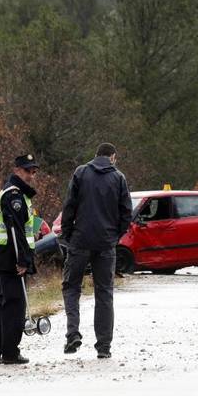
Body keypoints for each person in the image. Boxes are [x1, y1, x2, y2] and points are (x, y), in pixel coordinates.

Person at [60, 143, 132, 359]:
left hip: (80, 241)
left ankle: (73, 333)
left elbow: (69, 206)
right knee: (104, 293)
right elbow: (126, 213)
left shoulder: (81, 173)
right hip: (105, 244)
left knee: (71, 287)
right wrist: (114, 237)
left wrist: (69, 235)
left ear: (96, 155)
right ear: (113, 157)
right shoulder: (119, 178)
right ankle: (103, 346)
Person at [0, 154, 40, 365]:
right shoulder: (14, 195)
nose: (31, 175)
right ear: (17, 170)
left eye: (33, 172)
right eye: (27, 171)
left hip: (5, 256)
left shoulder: (17, 194)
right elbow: (15, 230)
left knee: (5, 304)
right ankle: (10, 352)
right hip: (11, 258)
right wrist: (22, 261)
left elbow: (22, 228)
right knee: (15, 304)